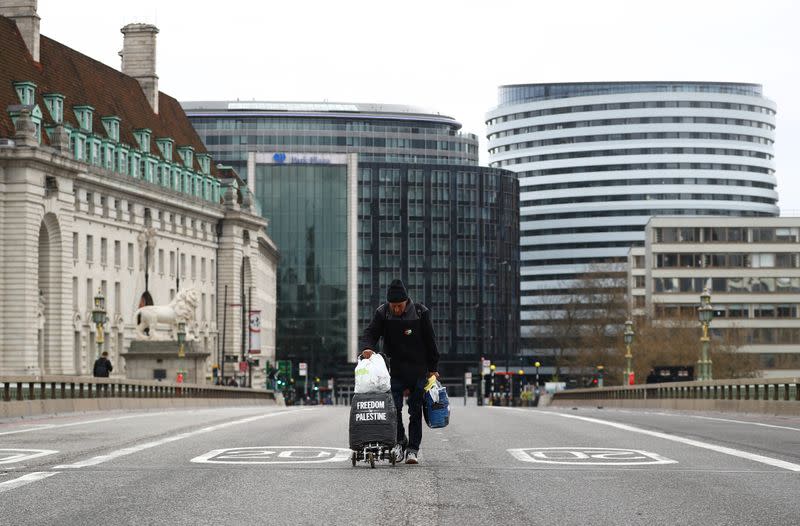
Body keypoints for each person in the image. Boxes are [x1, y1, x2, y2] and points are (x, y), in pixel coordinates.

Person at [359, 279, 439, 465]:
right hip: (393, 371)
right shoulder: (383, 312)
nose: (396, 309)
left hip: (418, 369)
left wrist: (433, 369)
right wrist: (367, 348)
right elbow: (370, 333)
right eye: (393, 306)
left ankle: (413, 449)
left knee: (415, 410)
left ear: (406, 301)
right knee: (393, 410)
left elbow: (431, 341)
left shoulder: (420, 313)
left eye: (399, 306)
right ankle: (399, 442)